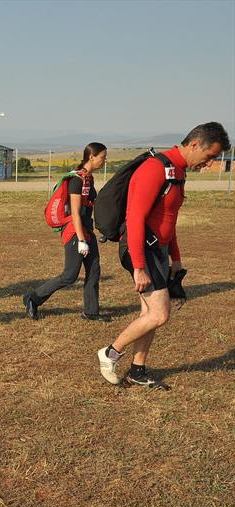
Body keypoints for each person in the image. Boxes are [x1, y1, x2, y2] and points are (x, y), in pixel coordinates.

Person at [97, 122, 230, 389]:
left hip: (159, 249)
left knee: (148, 314)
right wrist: (138, 266)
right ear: (195, 144)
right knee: (159, 314)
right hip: (140, 249)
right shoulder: (154, 168)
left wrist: (175, 258)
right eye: (209, 156)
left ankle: (137, 370)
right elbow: (135, 217)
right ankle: (110, 353)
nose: (209, 164)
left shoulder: (177, 171)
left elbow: (170, 219)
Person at [24, 143, 108, 321]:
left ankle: (91, 312)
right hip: (75, 232)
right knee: (69, 276)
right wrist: (81, 240)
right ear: (91, 157)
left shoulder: (88, 178)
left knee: (94, 271)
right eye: (102, 157)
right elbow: (75, 213)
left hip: (87, 230)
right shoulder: (77, 180)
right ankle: (33, 298)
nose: (104, 161)